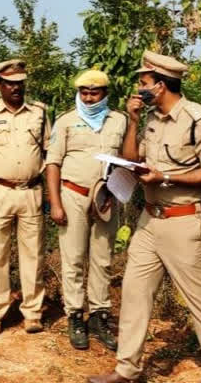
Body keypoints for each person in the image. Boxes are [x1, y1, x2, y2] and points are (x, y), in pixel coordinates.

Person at [88, 51, 201, 383]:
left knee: (200, 298)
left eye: (143, 83)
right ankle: (128, 369)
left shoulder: (198, 119)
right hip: (149, 221)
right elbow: (130, 158)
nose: (139, 89)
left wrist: (166, 178)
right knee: (135, 292)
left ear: (161, 86)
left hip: (185, 220)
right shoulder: (150, 119)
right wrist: (133, 121)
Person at [45, 69, 127, 351]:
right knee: (74, 258)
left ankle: (100, 315)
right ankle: (76, 315)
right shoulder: (66, 121)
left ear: (105, 93)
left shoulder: (119, 121)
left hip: (106, 197)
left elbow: (129, 160)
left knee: (103, 258)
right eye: (84, 92)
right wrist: (55, 202)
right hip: (73, 195)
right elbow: (53, 163)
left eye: (95, 92)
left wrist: (117, 191)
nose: (89, 98)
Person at [0, 59, 51, 336]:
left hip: (31, 191)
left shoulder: (39, 113)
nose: (16, 88)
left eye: (20, 83)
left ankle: (32, 312)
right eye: (10, 83)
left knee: (34, 254)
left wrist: (51, 194)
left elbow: (49, 154)